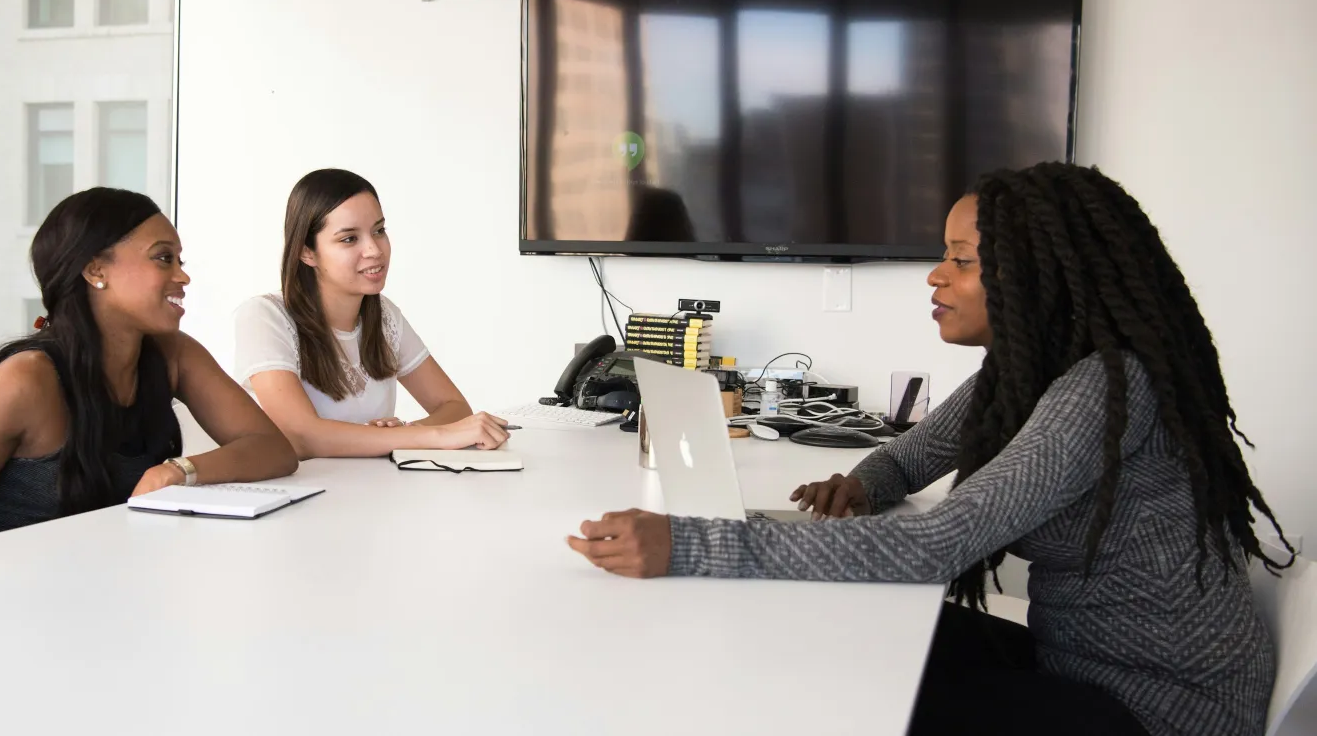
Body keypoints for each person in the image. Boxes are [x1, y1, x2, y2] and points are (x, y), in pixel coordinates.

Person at [567, 162, 1293, 736]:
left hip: (1153, 711)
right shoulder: (1021, 375)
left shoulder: (1107, 386)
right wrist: (862, 483)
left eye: (963, 259)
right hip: (1078, 662)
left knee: (846, 688)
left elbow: (937, 544)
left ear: (1038, 275)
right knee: (847, 636)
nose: (935, 275)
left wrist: (693, 545)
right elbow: (911, 455)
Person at [0, 188, 298, 555]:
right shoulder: (25, 381)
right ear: (95, 270)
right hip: (20, 605)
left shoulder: (173, 354)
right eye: (163, 258)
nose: (182, 275)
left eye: (179, 259)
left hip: (116, 589)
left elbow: (273, 449)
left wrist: (177, 471)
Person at [234, 168, 509, 458]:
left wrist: (403, 433)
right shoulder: (264, 316)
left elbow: (454, 408)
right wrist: (421, 436)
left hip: (374, 493)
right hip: (303, 497)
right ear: (307, 252)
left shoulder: (384, 315)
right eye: (349, 239)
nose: (374, 250)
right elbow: (302, 435)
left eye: (378, 231)